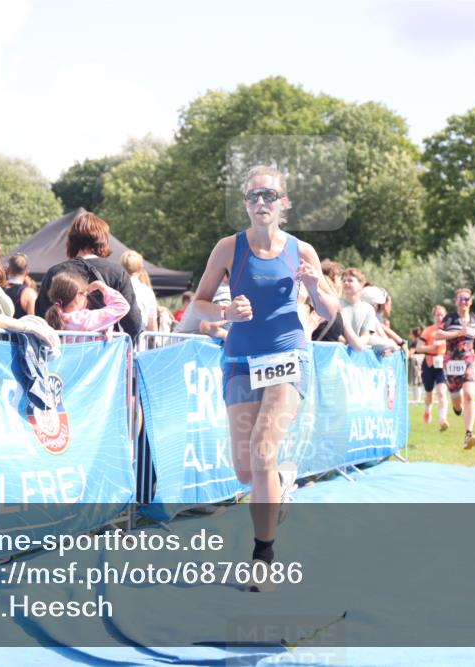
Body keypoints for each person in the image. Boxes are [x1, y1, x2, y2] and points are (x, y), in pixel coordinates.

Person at [192, 165, 339, 592]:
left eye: (270, 196)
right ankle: (280, 482)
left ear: (283, 203)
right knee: (246, 471)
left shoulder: (302, 251)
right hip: (239, 359)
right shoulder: (228, 248)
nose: (261, 203)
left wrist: (314, 287)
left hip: (288, 356)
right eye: (254, 196)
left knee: (261, 452)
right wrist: (225, 312)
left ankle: (263, 557)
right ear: (245, 203)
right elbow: (199, 304)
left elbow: (330, 313)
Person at [33, 211, 142, 341]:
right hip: (105, 353)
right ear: (103, 240)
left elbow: (41, 317)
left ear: (72, 241)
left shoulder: (55, 272)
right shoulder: (117, 273)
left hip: (64, 352)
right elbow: (133, 323)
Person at [435, 288, 475, 450]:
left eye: (467, 299)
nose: (464, 302)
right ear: (456, 301)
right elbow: (438, 335)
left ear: (471, 302)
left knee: (469, 395)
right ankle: (457, 409)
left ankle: (468, 434)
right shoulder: (450, 318)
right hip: (451, 362)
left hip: (469, 360)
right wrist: (458, 333)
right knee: (457, 403)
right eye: (461, 299)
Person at [43, 271, 129, 334]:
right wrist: (101, 286)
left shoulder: (56, 318)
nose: (87, 299)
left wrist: (107, 326)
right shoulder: (83, 319)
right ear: (77, 296)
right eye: (85, 295)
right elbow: (122, 306)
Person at [416, 304, 450, 430]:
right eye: (437, 315)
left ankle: (443, 419)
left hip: (442, 365)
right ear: (433, 316)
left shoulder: (449, 331)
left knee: (441, 392)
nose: (440, 317)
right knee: (429, 394)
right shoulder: (428, 330)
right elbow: (419, 348)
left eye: (442, 315)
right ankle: (427, 410)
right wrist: (432, 347)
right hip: (429, 364)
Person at [341, 268, 380, 346]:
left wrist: (357, 344)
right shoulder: (336, 305)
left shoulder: (368, 309)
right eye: (344, 280)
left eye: (350, 280)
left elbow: (366, 335)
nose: (345, 283)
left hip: (359, 354)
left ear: (361, 284)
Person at [121, 250, 158, 331]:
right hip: (141, 337)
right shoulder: (148, 292)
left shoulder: (117, 289)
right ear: (140, 269)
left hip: (120, 338)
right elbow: (152, 323)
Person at [4, 253, 38, 319]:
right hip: (20, 328)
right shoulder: (29, 294)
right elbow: (33, 322)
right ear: (27, 272)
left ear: (7, 270)